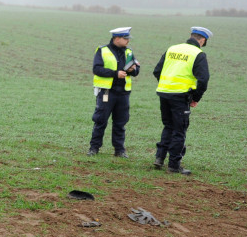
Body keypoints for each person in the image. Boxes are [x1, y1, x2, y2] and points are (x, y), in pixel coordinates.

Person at [152, 27, 212, 175]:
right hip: (180, 96)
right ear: (202, 40)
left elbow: (157, 71)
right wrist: (196, 98)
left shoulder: (172, 49)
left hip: (164, 93)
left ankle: (159, 158)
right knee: (179, 130)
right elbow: (203, 80)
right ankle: (174, 165)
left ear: (191, 36)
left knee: (168, 126)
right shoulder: (198, 54)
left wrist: (167, 85)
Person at [88, 26, 139, 157]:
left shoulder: (129, 52)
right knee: (100, 120)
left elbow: (136, 70)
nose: (128, 41)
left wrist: (132, 70)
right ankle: (94, 148)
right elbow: (97, 69)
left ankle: (119, 150)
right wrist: (115, 74)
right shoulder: (102, 50)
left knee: (121, 123)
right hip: (106, 92)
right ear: (116, 38)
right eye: (125, 38)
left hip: (123, 93)